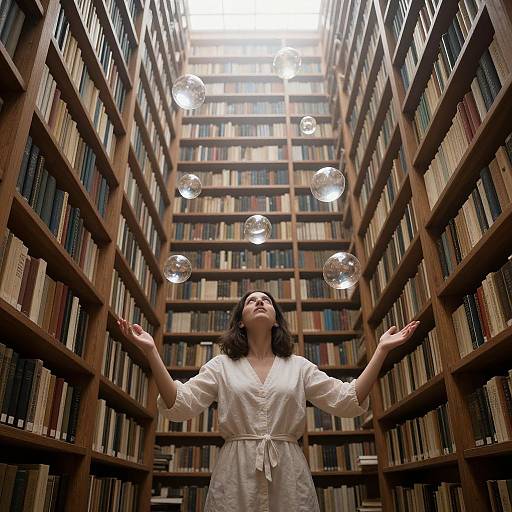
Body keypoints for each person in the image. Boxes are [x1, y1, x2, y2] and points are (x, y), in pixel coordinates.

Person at [118, 290, 420, 512]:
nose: (260, 302)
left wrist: (380, 350)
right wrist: (150, 352)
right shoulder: (221, 366)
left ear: (276, 320)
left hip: (288, 471)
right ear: (240, 322)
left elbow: (347, 399)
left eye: (266, 300)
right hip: (236, 472)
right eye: (251, 301)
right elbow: (180, 404)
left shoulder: (299, 365)